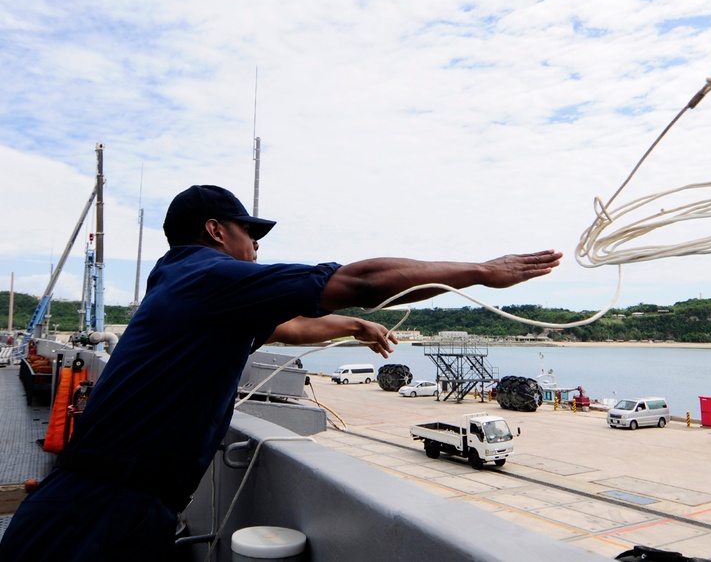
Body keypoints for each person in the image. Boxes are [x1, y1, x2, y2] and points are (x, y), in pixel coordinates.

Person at [0, 184, 562, 561]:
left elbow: (287, 329)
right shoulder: (210, 276)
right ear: (218, 231)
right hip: (101, 512)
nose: (257, 246)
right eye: (252, 234)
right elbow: (362, 279)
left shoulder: (181, 285)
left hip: (102, 501)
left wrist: (352, 328)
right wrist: (484, 271)